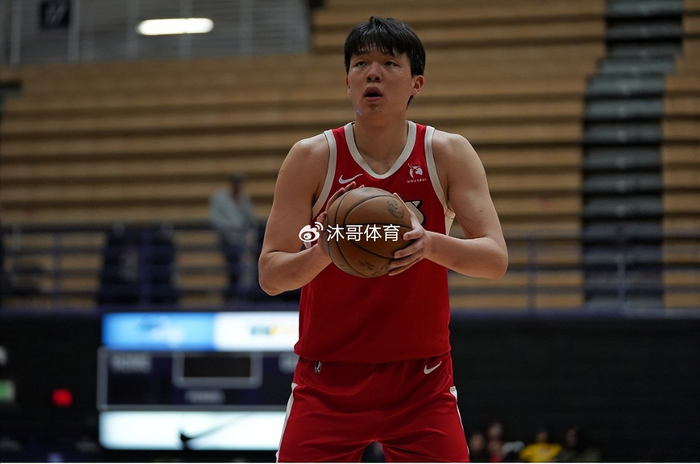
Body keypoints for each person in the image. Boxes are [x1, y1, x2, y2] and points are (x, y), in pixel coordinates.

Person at [258, 16, 508, 462]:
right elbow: (271, 275)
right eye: (360, 64)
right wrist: (324, 250)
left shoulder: (446, 153)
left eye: (389, 63)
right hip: (327, 378)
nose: (372, 73)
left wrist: (429, 243)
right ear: (347, 82)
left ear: (416, 83)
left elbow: (494, 259)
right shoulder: (311, 157)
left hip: (421, 379)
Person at [209, 174, 258, 302]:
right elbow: (215, 218)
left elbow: (250, 216)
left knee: (243, 268)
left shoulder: (243, 198)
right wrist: (228, 227)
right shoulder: (219, 197)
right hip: (226, 238)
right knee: (232, 266)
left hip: (241, 238)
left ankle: (240, 294)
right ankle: (231, 294)